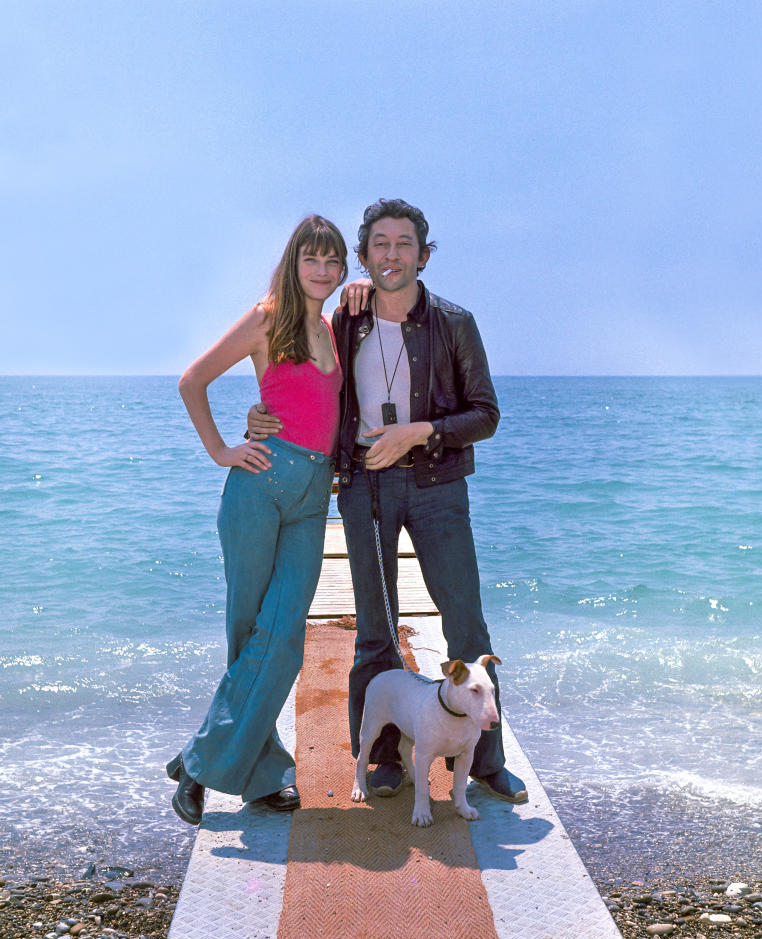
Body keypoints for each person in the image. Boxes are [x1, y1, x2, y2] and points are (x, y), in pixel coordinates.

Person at [248, 199, 527, 804]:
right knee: (373, 628)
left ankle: (485, 761)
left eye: (404, 244)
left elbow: (486, 414)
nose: (392, 254)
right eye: (380, 243)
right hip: (365, 488)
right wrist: (261, 416)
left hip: (438, 487)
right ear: (365, 255)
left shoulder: (454, 323)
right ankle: (382, 756)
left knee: (466, 623)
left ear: (423, 256)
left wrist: (418, 430)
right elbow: (300, 381)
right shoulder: (344, 319)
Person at [166, 214, 348, 825]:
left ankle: (197, 761)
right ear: (293, 261)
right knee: (251, 637)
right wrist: (222, 449)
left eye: (333, 262)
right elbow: (193, 380)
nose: (323, 271)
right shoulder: (268, 316)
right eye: (312, 259)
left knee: (284, 638)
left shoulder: (328, 327)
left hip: (311, 496)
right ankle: (264, 774)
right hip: (257, 490)